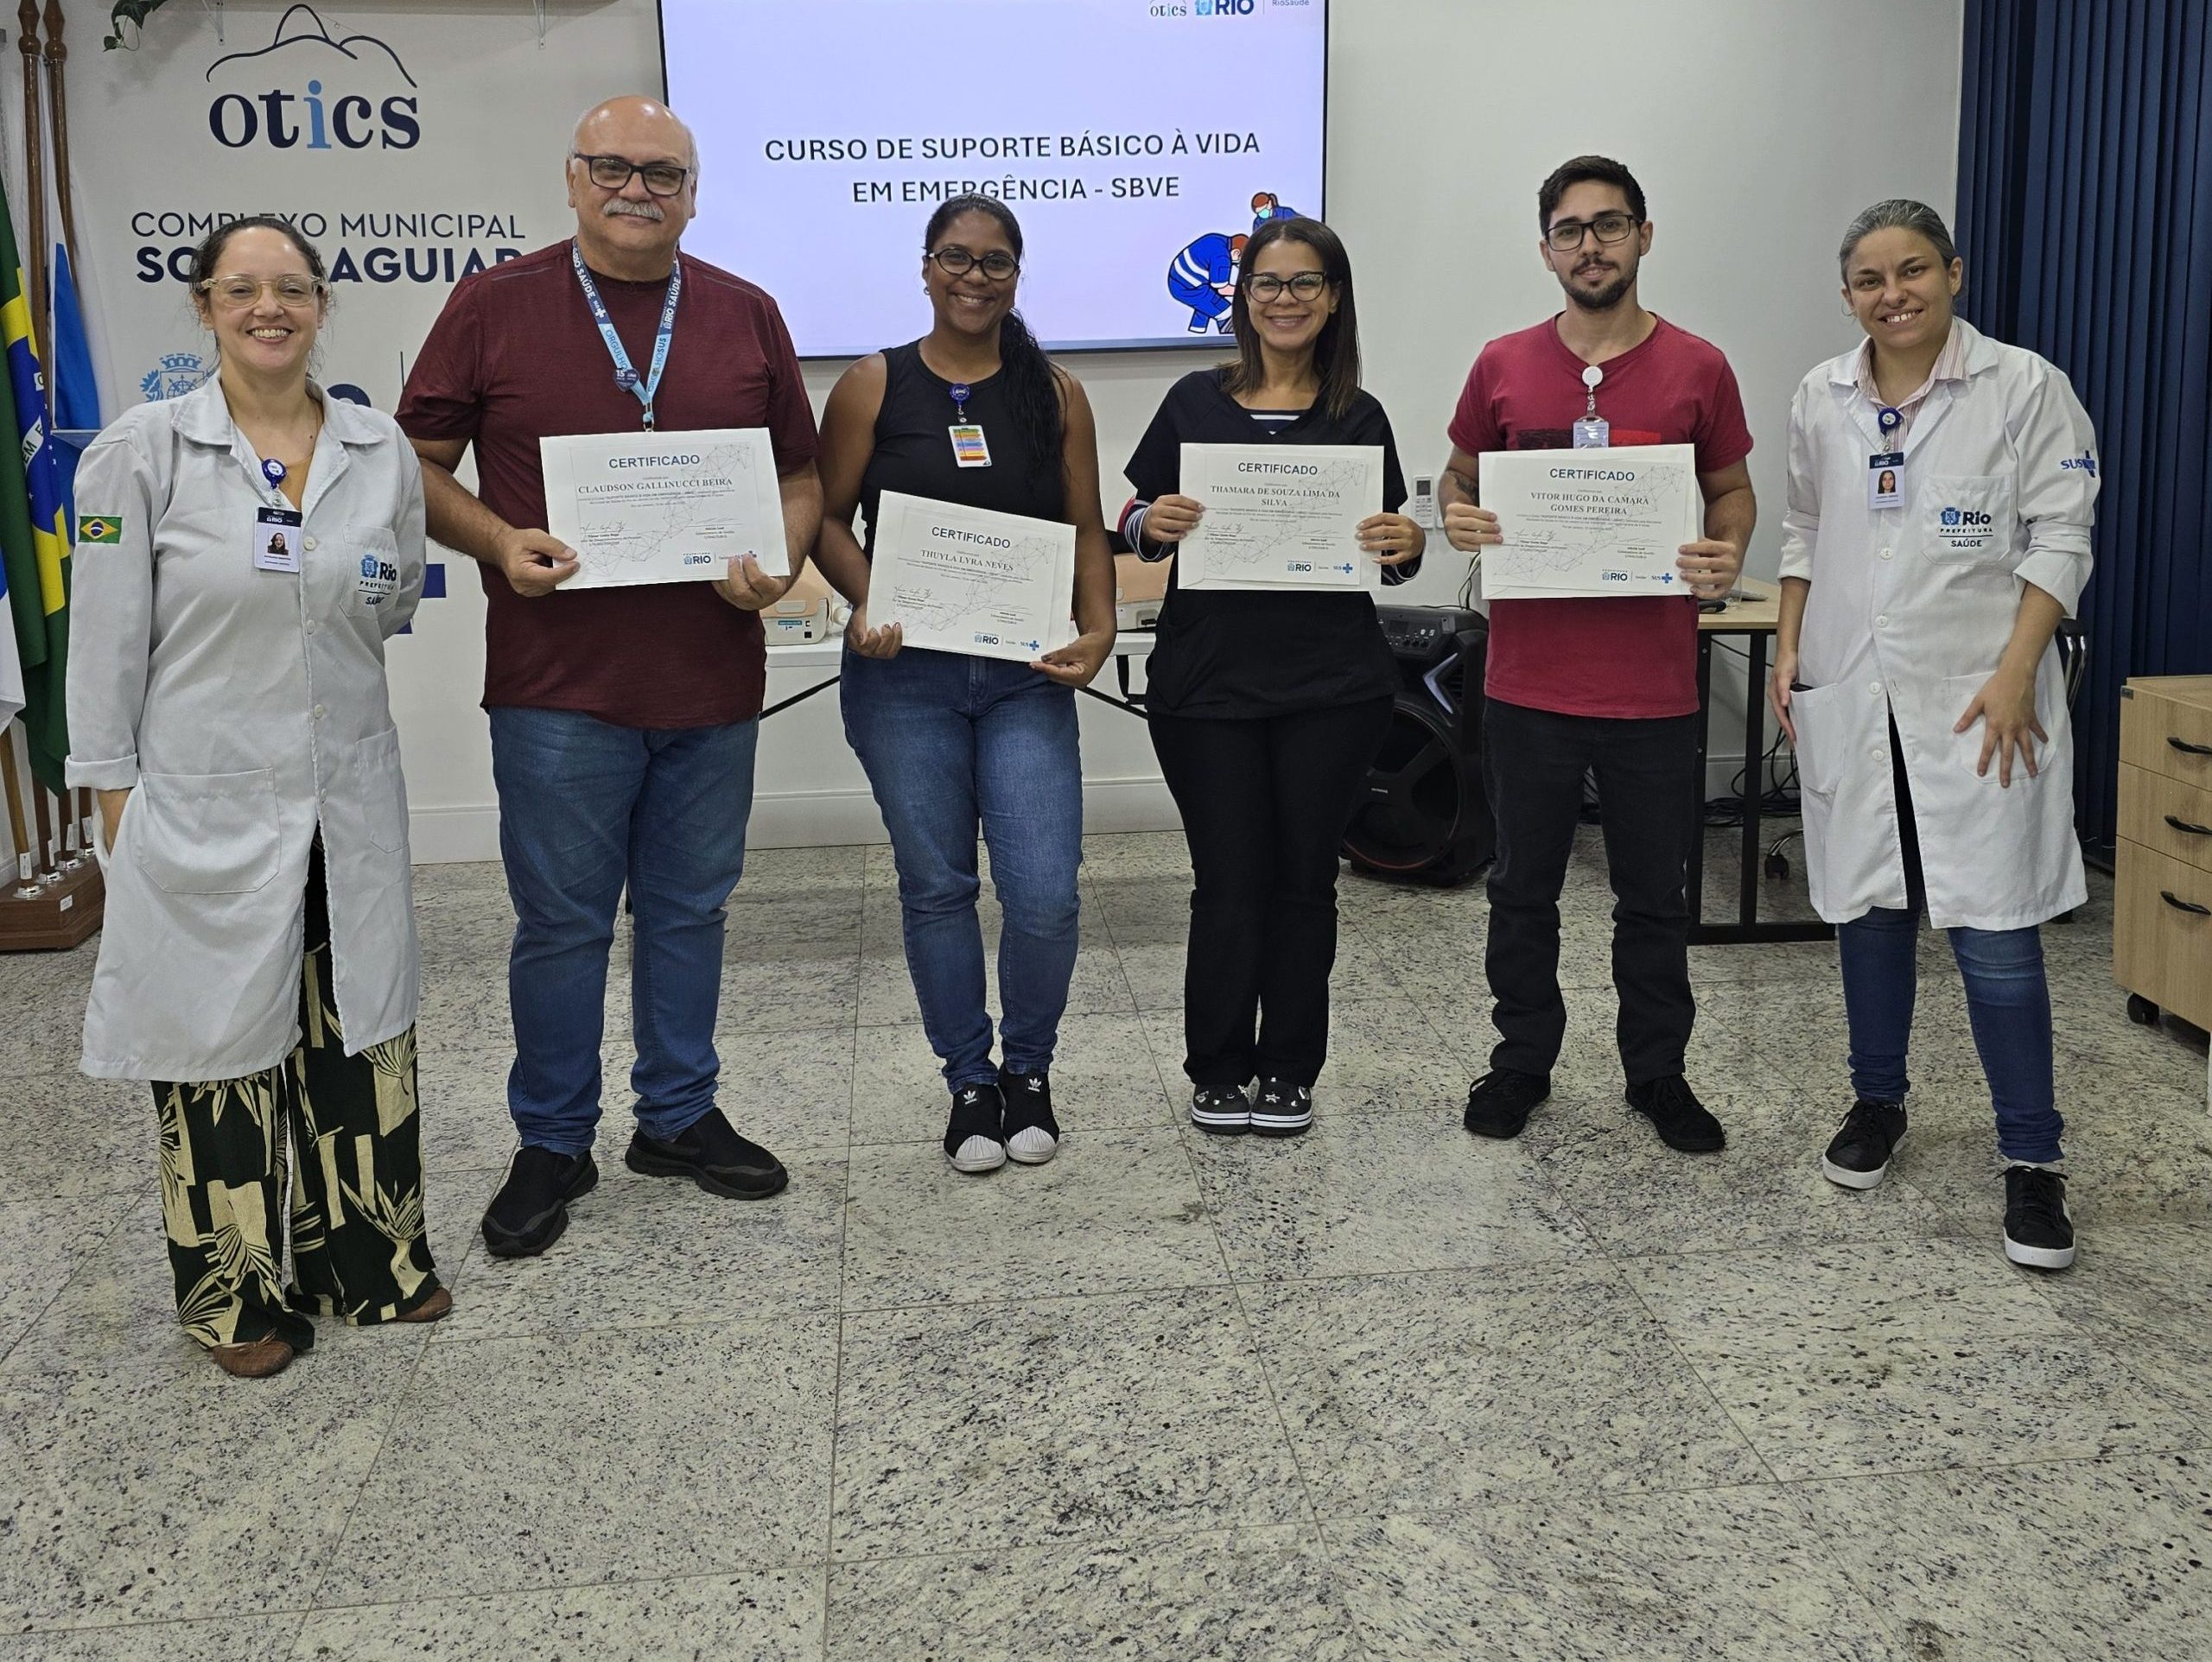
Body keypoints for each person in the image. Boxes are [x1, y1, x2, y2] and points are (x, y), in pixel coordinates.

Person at [397, 97, 823, 1258]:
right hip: (557, 686)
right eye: (616, 169)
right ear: (575, 178)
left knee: (690, 913)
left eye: (665, 174)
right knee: (563, 926)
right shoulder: (492, 305)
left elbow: (799, 474)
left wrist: (781, 561)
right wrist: (495, 543)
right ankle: (553, 1139)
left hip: (711, 679)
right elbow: (416, 466)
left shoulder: (747, 314)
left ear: (694, 192)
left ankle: (677, 1119)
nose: (639, 190)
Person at [67, 218, 446, 1378]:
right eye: (243, 288)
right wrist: (111, 792)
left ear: (322, 304)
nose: (269, 307)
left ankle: (368, 1265)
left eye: (291, 288)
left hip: (348, 797)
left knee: (360, 1034)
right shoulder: (142, 453)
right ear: (206, 308)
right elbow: (105, 640)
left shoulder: (378, 449)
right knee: (216, 1045)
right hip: (205, 797)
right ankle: (236, 1297)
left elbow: (390, 599)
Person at [1771, 199, 2097, 1271]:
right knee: (1869, 909)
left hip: (1978, 703)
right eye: (1869, 279)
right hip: (1853, 694)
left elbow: (2062, 534)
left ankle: (2033, 1163)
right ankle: (1876, 1104)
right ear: (1847, 293)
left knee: (1993, 932)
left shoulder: (2021, 385)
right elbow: (1806, 527)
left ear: (1951, 273)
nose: (1891, 293)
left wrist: (2017, 674)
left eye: (1911, 271)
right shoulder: (1822, 394)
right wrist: (1786, 648)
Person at [1440, 154, 1756, 1154]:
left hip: (1653, 690)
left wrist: (1728, 547)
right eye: (1571, 229)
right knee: (1519, 891)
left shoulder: (1697, 367)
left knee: (1653, 902)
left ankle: (1656, 1073)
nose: (1591, 245)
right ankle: (1520, 1062)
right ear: (1545, 249)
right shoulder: (1501, 363)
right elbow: (1455, 479)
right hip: (1529, 685)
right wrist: (1460, 521)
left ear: (1644, 237)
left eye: (1609, 225)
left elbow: (1731, 489)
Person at [813, 195, 1116, 1173]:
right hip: (905, 680)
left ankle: (1029, 1068)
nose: (974, 277)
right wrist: (871, 598)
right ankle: (968, 1081)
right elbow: (824, 520)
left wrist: (1102, 627)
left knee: (1043, 895)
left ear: (1016, 275)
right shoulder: (872, 384)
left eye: (994, 262)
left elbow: (1083, 527)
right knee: (938, 887)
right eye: (956, 258)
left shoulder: (1057, 393)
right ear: (926, 267)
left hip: (1025, 676)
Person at [1119, 215, 1425, 1138]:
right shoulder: (1191, 402)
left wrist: (1405, 546)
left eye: (1303, 283)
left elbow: (1391, 554)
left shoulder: (1357, 415)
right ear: (1241, 298)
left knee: (1303, 883)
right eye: (1266, 283)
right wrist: (1151, 524)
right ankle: (1217, 1065)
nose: (1284, 300)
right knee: (1225, 881)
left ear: (1332, 300)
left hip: (1332, 689)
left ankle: (1290, 1067)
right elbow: (1129, 517)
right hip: (1207, 687)